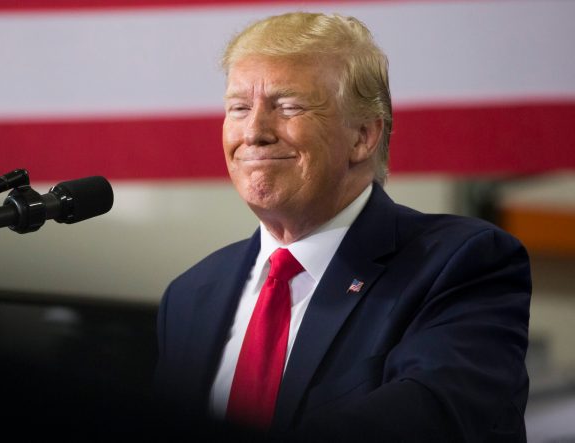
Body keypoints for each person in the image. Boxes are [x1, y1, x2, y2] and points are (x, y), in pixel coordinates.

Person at [153, 11, 531, 443]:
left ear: (363, 136)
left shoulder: (461, 264)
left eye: (288, 106)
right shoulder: (189, 296)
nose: (254, 131)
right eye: (238, 108)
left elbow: (433, 419)